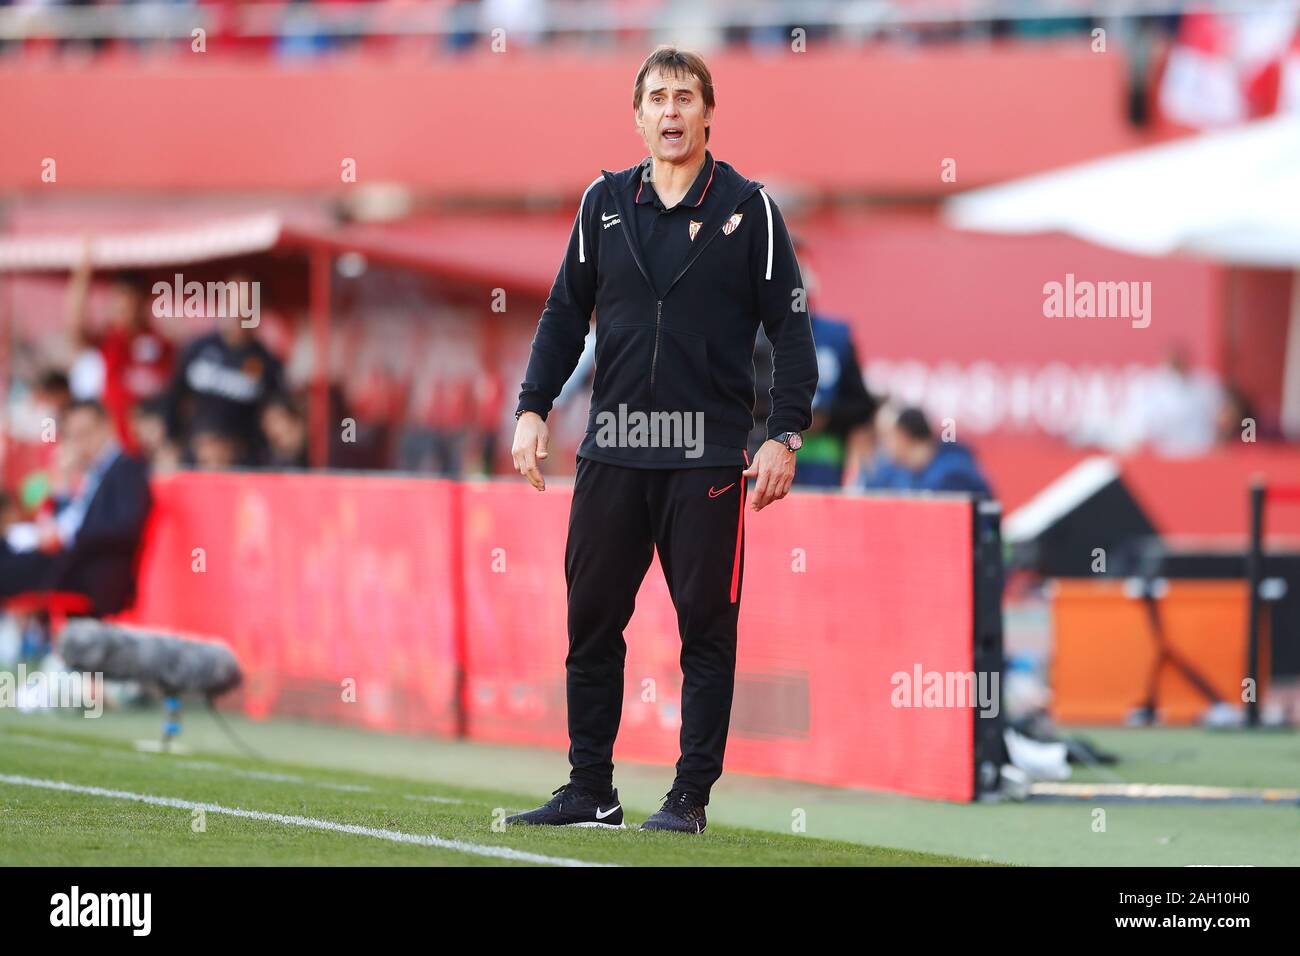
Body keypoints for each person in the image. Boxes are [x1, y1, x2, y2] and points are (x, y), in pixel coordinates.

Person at [506, 45, 817, 834]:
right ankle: (591, 791)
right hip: (612, 448)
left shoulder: (751, 210)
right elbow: (561, 315)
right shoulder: (602, 202)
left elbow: (792, 330)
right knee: (592, 623)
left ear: (709, 113)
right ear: (637, 116)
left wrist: (784, 433)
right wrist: (533, 407)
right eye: (658, 99)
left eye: (685, 98)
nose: (671, 112)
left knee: (704, 630)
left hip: (706, 454)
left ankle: (689, 797)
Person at [0, 400, 152, 616]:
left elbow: (126, 526)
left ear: (106, 427)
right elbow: (66, 518)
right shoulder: (89, 473)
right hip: (67, 562)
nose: (81, 443)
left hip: (89, 571)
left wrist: (70, 536)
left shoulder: (127, 467)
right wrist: (63, 483)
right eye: (74, 436)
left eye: (86, 433)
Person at [163, 277, 286, 466]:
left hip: (242, 464)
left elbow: (273, 421)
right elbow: (174, 397)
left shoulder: (268, 363)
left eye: (247, 306)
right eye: (232, 304)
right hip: (194, 456)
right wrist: (171, 442)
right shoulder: (197, 349)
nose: (237, 313)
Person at [865, 405, 992, 497]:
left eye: (887, 437)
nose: (883, 446)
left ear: (903, 436)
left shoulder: (952, 474)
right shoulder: (903, 473)